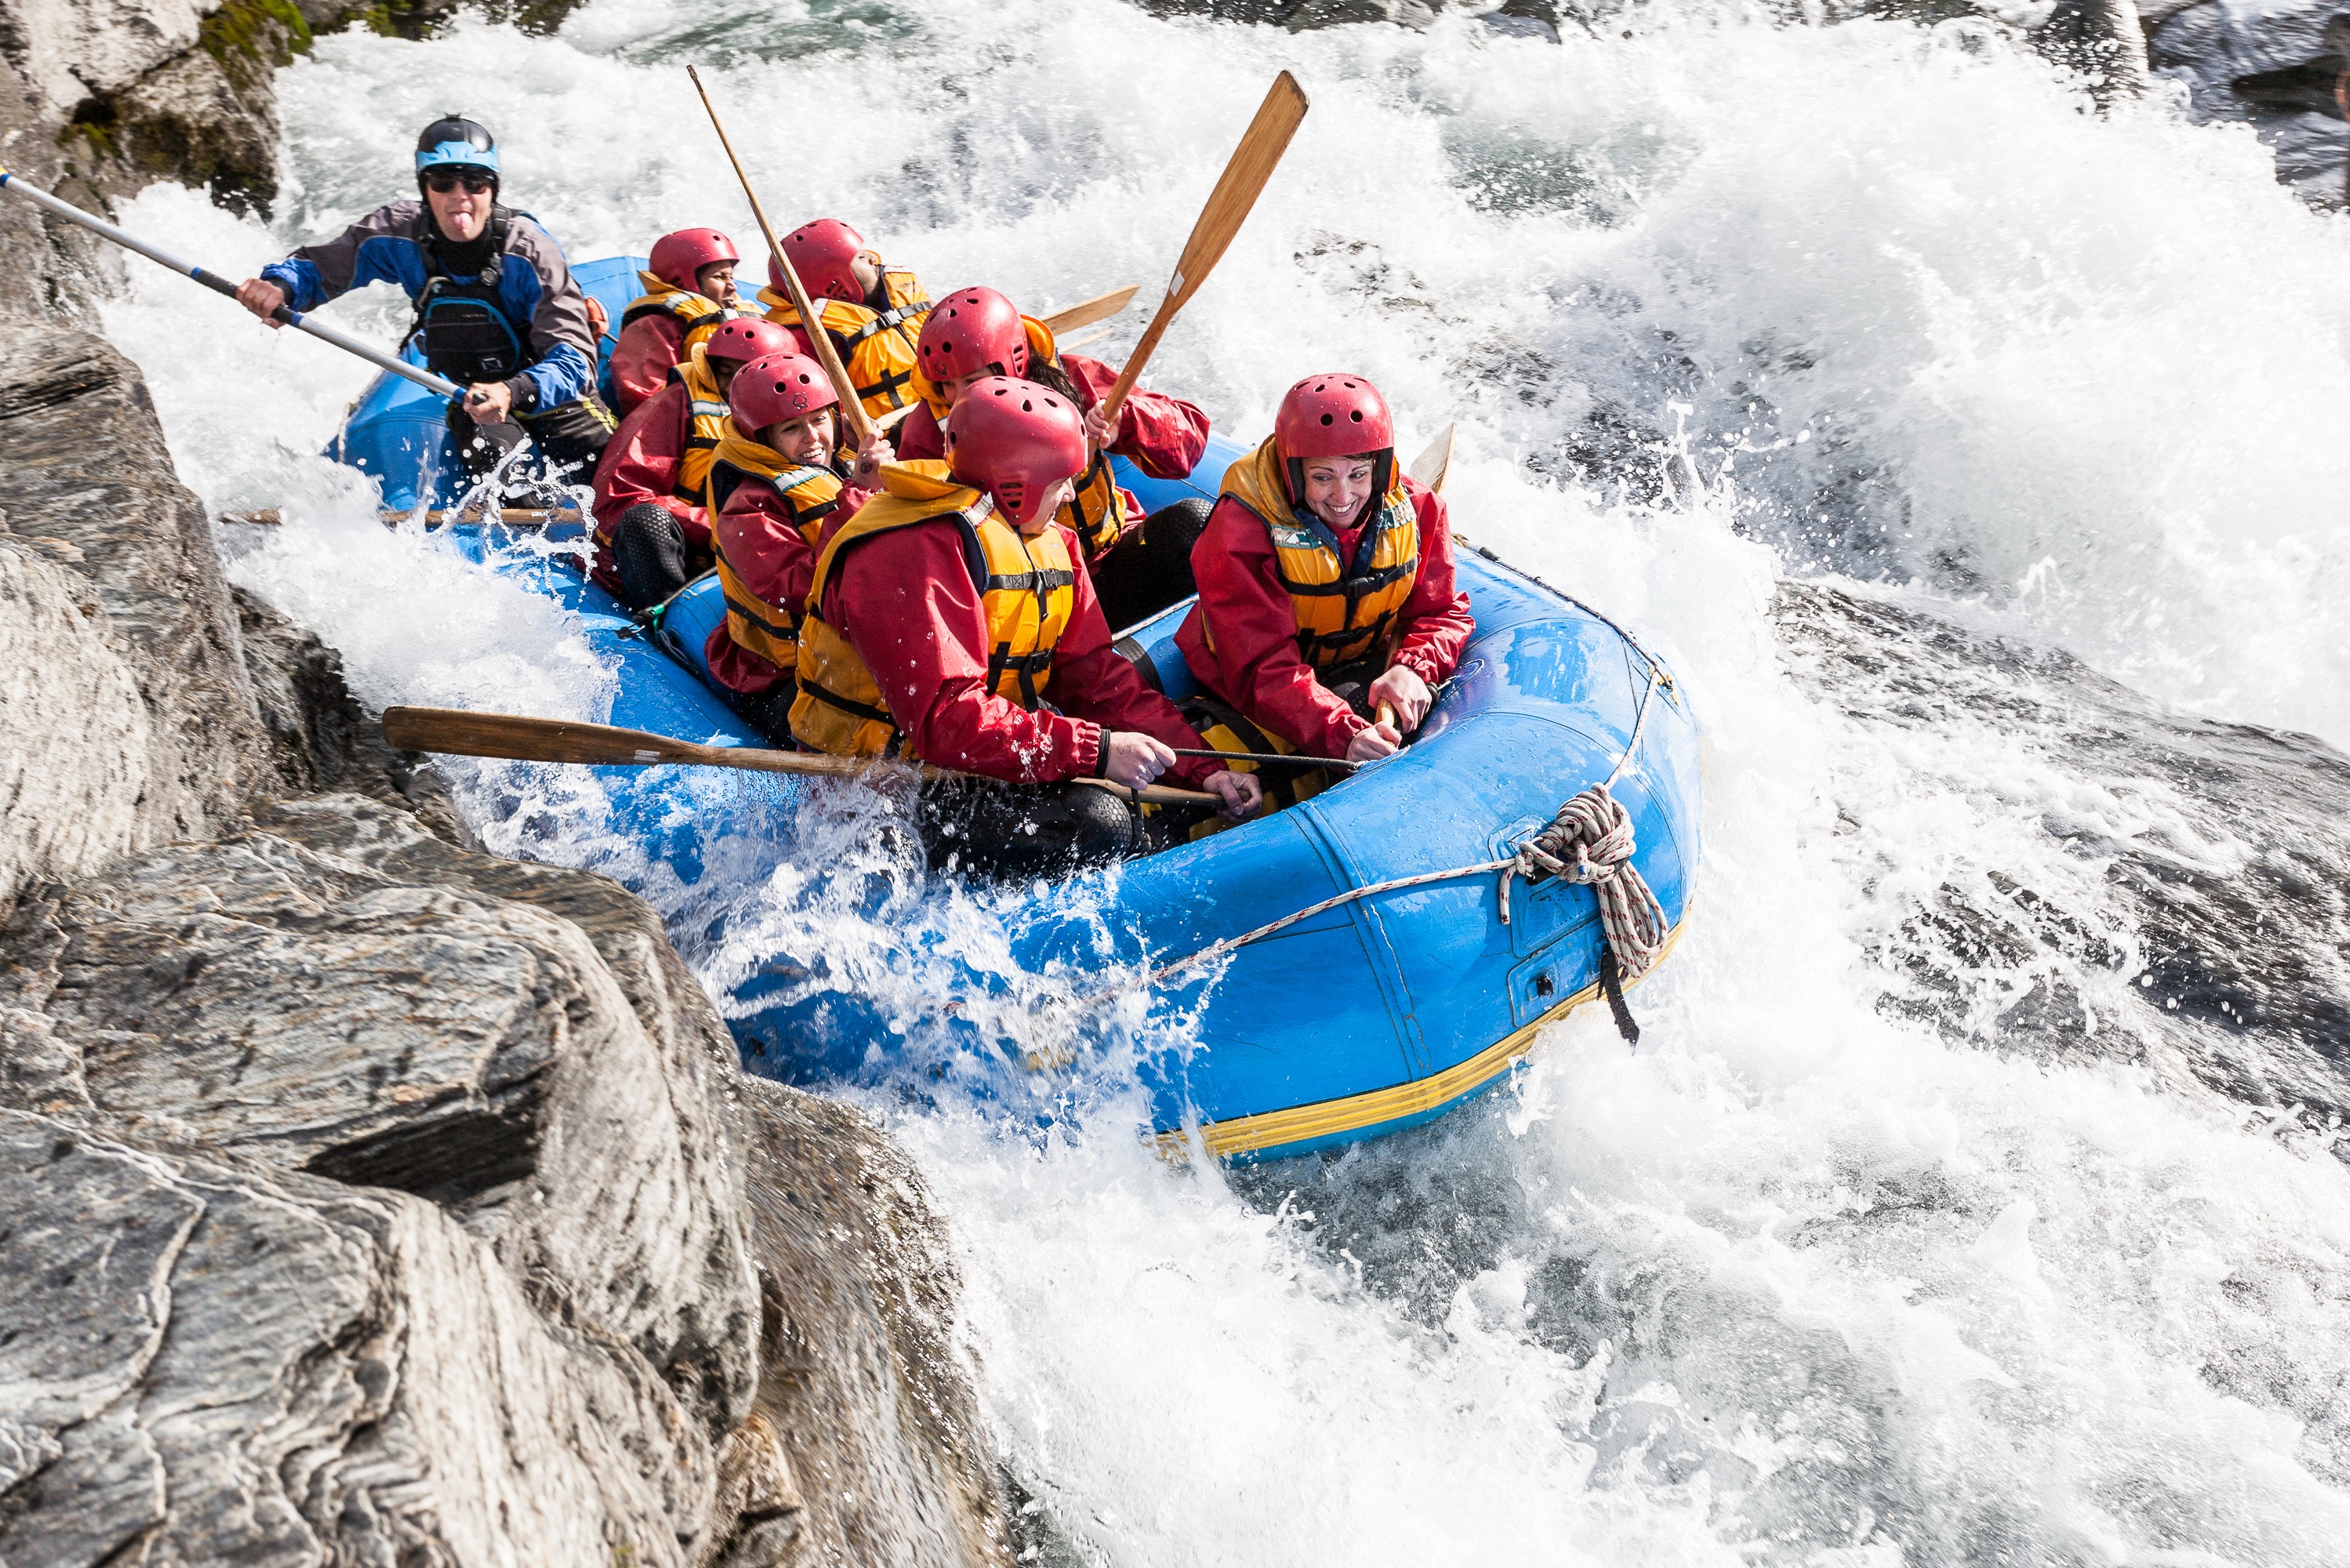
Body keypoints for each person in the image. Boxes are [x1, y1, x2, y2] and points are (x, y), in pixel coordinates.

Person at [790, 379, 1261, 877]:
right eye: (1060, 482)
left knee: (1134, 809)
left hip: (974, 756)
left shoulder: (1051, 541)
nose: (1069, 495)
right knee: (1100, 824)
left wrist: (1202, 770)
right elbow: (945, 720)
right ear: (1016, 485)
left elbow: (1094, 677)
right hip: (884, 783)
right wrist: (1096, 751)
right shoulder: (908, 553)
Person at [235, 115, 614, 479]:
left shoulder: (530, 251)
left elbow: (575, 361)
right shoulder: (398, 233)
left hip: (551, 395)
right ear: (425, 189)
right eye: (443, 181)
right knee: (500, 469)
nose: (460, 196)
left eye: (475, 182)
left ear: (492, 189)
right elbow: (320, 266)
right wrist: (281, 287)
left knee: (616, 473)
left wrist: (510, 391)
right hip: (470, 400)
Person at [1176, 372, 1473, 789]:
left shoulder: (1420, 507)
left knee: (1397, 706)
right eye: (1322, 477)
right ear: (1293, 473)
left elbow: (1442, 611)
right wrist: (1342, 734)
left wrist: (1413, 668)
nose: (1343, 496)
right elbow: (1259, 665)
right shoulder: (1240, 530)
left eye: (1358, 475)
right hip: (1257, 679)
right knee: (1366, 717)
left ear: (1379, 468)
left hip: (1354, 660)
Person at [896, 285, 1210, 632]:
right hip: (1029, 590)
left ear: (1015, 362)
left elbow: (1190, 440)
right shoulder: (927, 433)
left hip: (1109, 553)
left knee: (1193, 522)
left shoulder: (1073, 378)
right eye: (947, 385)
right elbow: (924, 546)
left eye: (971, 380)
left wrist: (1128, 421)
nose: (959, 397)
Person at [702, 351, 890, 743]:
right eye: (792, 428)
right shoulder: (745, 508)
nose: (812, 439)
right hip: (783, 673)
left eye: (819, 420)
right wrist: (860, 493)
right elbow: (801, 588)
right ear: (762, 439)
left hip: (853, 650)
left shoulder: (845, 462)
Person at [589, 316, 801, 608]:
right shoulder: (675, 404)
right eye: (725, 372)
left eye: (748, 374)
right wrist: (723, 527)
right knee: (644, 520)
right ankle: (666, 617)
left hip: (754, 553)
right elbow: (623, 498)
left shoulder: (804, 422)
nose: (734, 385)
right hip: (684, 556)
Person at [756, 218, 932, 420]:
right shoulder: (809, 339)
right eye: (860, 257)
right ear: (836, 284)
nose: (872, 258)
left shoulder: (905, 293)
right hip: (892, 432)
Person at [606, 227, 743, 417]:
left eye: (731, 277)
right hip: (696, 429)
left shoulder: (744, 320)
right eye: (720, 277)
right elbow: (646, 400)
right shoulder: (652, 328)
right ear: (681, 280)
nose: (732, 286)